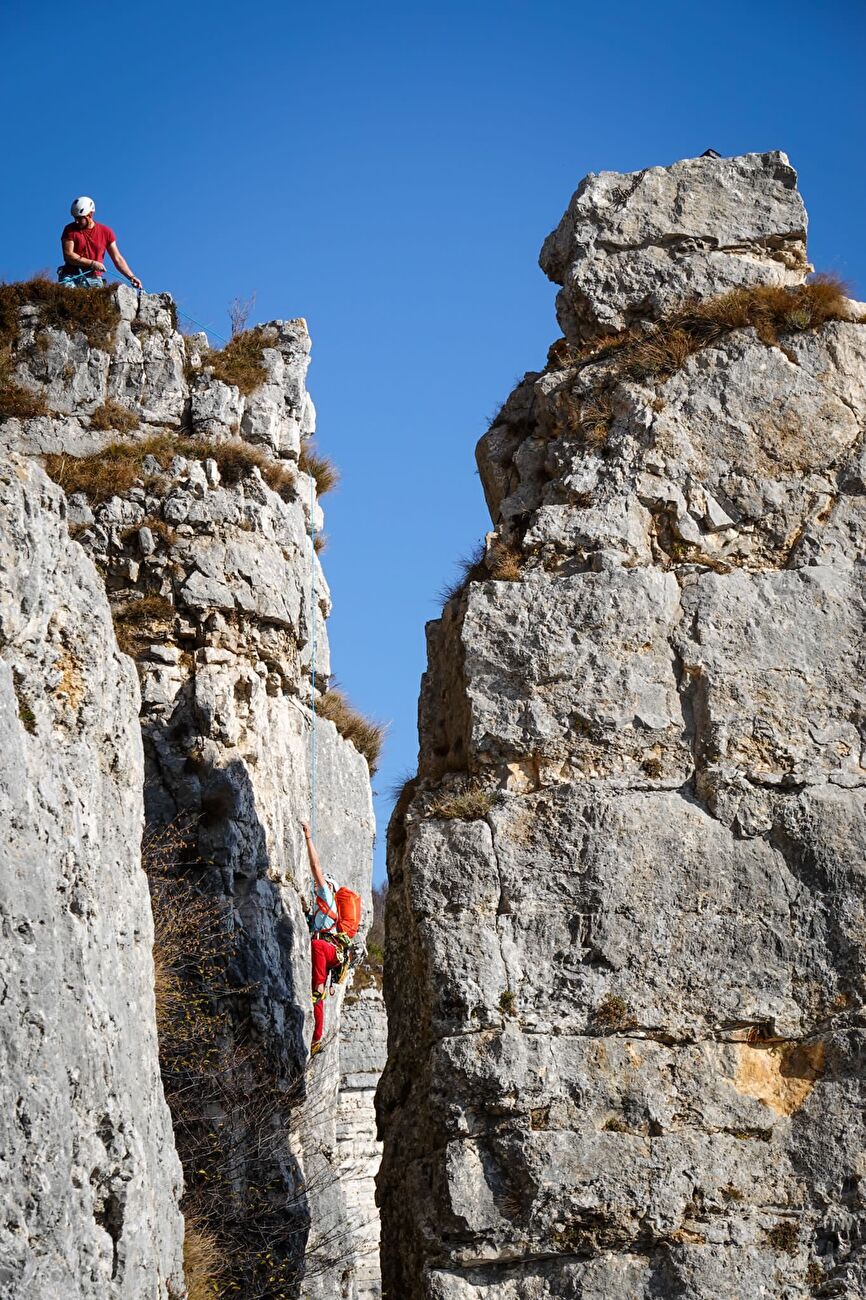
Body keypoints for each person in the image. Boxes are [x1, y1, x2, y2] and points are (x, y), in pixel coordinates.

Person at [302, 821, 350, 1056]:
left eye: (323, 883)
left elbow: (315, 866)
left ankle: (319, 986)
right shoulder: (322, 908)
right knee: (316, 999)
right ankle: (316, 1039)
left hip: (327, 949)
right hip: (329, 956)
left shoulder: (327, 897)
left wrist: (308, 837)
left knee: (317, 945)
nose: (317, 886)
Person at [59, 196, 142, 289]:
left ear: (90, 215)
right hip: (70, 276)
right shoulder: (69, 230)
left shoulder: (106, 232)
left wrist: (131, 277)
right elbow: (68, 255)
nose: (76, 222)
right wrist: (92, 263)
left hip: (94, 278)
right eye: (75, 218)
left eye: (79, 218)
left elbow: (117, 258)